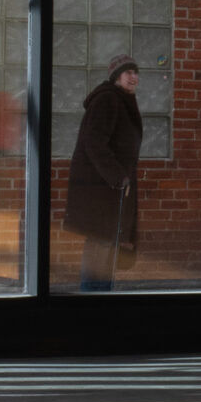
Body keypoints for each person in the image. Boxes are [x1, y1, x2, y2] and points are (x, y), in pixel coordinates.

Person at [64, 54, 143, 291]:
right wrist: (118, 177)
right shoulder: (108, 99)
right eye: (128, 72)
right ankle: (92, 294)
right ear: (115, 77)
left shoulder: (121, 100)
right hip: (100, 188)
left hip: (111, 188)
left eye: (136, 72)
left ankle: (101, 293)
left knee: (108, 242)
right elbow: (94, 142)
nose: (134, 77)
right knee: (100, 241)